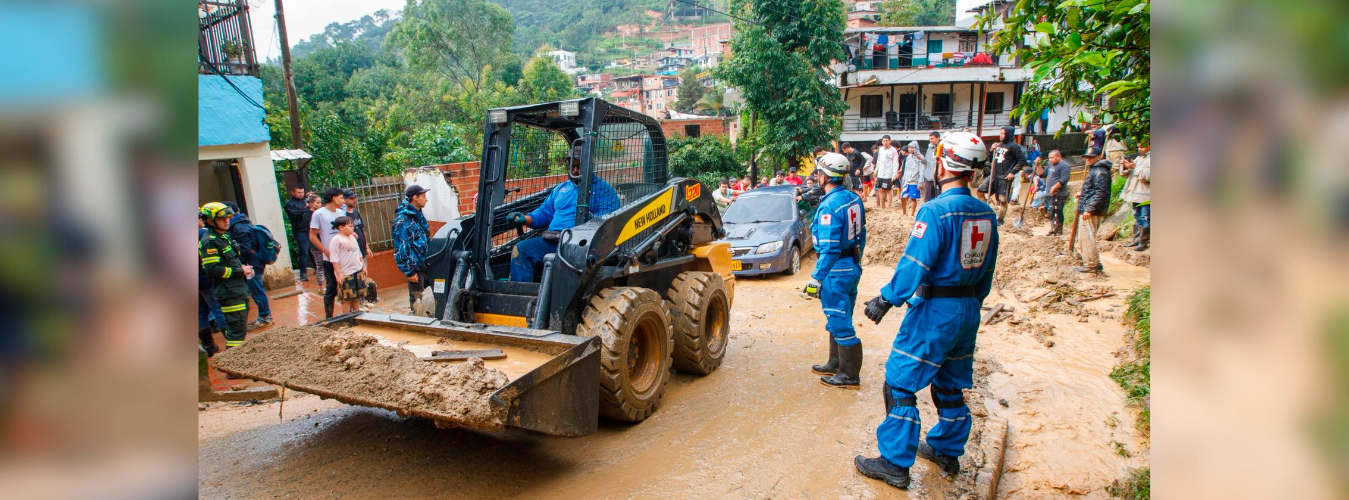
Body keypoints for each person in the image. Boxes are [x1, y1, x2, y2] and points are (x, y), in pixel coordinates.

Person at [852, 131, 999, 489]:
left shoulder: (935, 211)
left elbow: (915, 262)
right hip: (968, 308)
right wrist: (970, 305)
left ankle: (894, 463)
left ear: (944, 165)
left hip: (936, 310)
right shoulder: (987, 213)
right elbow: (988, 271)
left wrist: (886, 299)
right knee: (949, 383)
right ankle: (947, 451)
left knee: (899, 383)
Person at [506, 145, 621, 282]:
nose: (575, 170)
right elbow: (545, 212)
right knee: (522, 250)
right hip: (553, 241)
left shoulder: (604, 190)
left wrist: (588, 219)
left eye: (579, 166)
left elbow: (607, 222)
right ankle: (521, 293)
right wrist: (526, 219)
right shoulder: (561, 189)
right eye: (572, 166)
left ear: (589, 166)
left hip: (582, 246)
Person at [805, 152, 868, 389]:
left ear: (824, 176)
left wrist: (816, 278)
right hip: (851, 266)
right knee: (840, 316)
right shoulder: (853, 198)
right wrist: (857, 261)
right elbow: (862, 234)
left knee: (840, 321)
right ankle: (835, 363)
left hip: (835, 269)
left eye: (818, 173)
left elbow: (830, 249)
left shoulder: (830, 205)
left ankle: (849, 376)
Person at [199, 202, 254, 350]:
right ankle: (234, 361)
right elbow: (212, 268)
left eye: (228, 217)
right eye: (221, 218)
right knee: (236, 332)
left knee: (239, 328)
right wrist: (240, 271)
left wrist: (242, 269)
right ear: (210, 221)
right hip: (229, 292)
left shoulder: (222, 237)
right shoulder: (210, 241)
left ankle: (236, 358)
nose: (226, 220)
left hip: (237, 289)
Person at [223, 202, 272, 329]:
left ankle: (265, 317)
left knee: (257, 291)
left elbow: (244, 249)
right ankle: (264, 316)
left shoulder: (240, 228)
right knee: (255, 290)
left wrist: (241, 265)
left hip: (251, 264)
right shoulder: (242, 224)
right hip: (253, 263)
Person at [309, 188, 347, 318]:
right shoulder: (319, 214)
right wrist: (326, 251)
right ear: (333, 198)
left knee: (347, 286)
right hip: (329, 258)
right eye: (341, 198)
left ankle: (348, 314)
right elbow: (312, 236)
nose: (343, 200)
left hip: (345, 256)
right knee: (331, 287)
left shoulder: (341, 212)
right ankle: (329, 317)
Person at [392, 185, 431, 312]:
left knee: (430, 298)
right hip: (415, 267)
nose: (426, 199)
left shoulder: (418, 215)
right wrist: (409, 271)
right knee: (418, 301)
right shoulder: (403, 220)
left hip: (426, 263)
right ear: (415, 197)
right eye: (423, 197)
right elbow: (400, 248)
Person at [1074, 147, 1113, 273]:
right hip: (1090, 207)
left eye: (1090, 157)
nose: (1088, 159)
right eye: (1086, 157)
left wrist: (1089, 209)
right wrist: (1083, 193)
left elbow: (1101, 192)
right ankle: (1094, 262)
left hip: (1091, 210)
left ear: (1099, 157)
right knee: (1086, 237)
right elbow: (1094, 189)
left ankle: (1090, 264)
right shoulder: (1096, 170)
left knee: (1087, 237)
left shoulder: (1100, 171)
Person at [979, 126, 1027, 223]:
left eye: (1003, 133)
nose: (1001, 135)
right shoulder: (999, 144)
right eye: (1000, 133)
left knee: (1003, 200)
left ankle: (1000, 219)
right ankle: (986, 212)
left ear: (1008, 134)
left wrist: (1012, 172)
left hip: (1004, 177)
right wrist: (992, 150)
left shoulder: (1014, 146)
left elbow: (1022, 160)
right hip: (994, 175)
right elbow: (991, 159)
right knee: (980, 191)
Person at [198, 216, 225, 356]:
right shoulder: (204, 234)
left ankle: (208, 346)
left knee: (201, 312)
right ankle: (233, 343)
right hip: (205, 278)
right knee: (217, 309)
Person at [328, 216, 366, 314]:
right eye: (349, 226)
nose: (352, 228)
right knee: (347, 298)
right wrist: (339, 274)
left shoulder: (352, 237)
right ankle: (346, 317)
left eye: (352, 226)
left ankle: (356, 314)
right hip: (346, 273)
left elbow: (358, 253)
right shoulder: (336, 240)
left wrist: (363, 266)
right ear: (341, 227)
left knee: (357, 296)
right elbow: (334, 259)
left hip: (357, 270)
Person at [1118, 144, 1150, 251]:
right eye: (1138, 147)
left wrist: (1134, 168)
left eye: (1142, 146)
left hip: (1146, 195)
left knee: (1145, 217)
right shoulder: (1138, 158)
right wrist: (1125, 166)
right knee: (1137, 216)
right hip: (1135, 194)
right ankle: (1136, 239)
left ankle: (1143, 242)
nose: (1139, 149)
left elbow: (1147, 176)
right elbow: (1126, 174)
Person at [283, 185, 312, 281]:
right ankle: (303, 272)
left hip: (310, 229)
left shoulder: (306, 201)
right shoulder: (290, 204)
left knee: (314, 250)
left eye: (302, 192)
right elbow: (294, 215)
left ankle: (317, 268)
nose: (301, 194)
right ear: (293, 192)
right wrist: (305, 208)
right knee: (303, 251)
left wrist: (311, 200)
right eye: (299, 192)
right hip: (300, 230)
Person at [1043, 150, 1072, 235]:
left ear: (1059, 156)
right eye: (1049, 158)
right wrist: (1037, 165)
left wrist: (1054, 187)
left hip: (1058, 193)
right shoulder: (1050, 165)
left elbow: (1065, 178)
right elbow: (1042, 174)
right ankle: (1053, 228)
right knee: (1051, 212)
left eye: (1052, 158)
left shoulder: (1064, 165)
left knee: (1057, 211)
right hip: (1049, 193)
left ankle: (1058, 230)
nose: (1050, 159)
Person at [342, 189, 375, 263]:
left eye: (355, 198)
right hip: (351, 252)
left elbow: (362, 230)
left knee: (364, 268)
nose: (354, 200)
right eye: (351, 199)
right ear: (344, 200)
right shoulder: (343, 215)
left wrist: (367, 247)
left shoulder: (356, 212)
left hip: (361, 250)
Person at [305, 194, 326, 287]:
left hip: (325, 241)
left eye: (320, 202)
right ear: (310, 203)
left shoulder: (322, 213)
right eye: (317, 203)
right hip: (316, 243)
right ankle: (321, 285)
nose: (320, 204)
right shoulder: (307, 215)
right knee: (320, 264)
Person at [874, 135, 900, 209]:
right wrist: (876, 170)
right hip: (880, 173)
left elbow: (895, 163)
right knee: (880, 189)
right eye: (884, 141)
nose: (885, 142)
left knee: (888, 190)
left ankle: (889, 205)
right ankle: (882, 205)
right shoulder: (881, 149)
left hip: (888, 173)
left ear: (889, 141)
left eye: (886, 141)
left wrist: (894, 175)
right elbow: (878, 161)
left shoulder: (893, 150)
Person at [898, 141, 924, 215]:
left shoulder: (920, 157)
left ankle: (912, 214)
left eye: (912, 148)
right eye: (909, 148)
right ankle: (904, 213)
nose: (911, 149)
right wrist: (903, 179)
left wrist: (920, 183)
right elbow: (906, 169)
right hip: (907, 180)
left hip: (914, 181)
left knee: (913, 198)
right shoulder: (908, 157)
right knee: (902, 197)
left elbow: (921, 170)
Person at [921, 132, 940, 202]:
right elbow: (926, 161)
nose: (930, 140)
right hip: (928, 178)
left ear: (938, 138)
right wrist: (921, 159)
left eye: (932, 138)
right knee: (927, 199)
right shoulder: (929, 148)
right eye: (929, 139)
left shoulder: (942, 148)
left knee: (938, 198)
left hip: (938, 178)